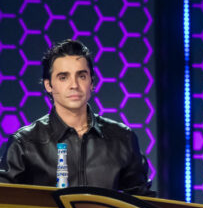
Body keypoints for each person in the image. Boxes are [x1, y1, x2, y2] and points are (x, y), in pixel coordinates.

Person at [0, 39, 154, 195]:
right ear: (48, 85)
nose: (74, 85)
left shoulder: (123, 139)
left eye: (81, 76)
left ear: (91, 83)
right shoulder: (25, 143)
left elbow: (142, 202)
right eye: (63, 77)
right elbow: (5, 201)